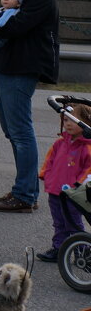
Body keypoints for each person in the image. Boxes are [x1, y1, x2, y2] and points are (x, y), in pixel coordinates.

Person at [0, 0, 60, 213]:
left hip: (20, 70)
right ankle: (23, 190)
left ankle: (26, 194)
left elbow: (16, 27)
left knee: (20, 133)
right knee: (12, 131)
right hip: (9, 68)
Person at [36, 103, 91, 262]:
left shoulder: (86, 147)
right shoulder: (59, 143)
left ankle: (82, 251)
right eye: (65, 119)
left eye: (72, 120)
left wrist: (78, 184)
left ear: (84, 123)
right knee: (58, 222)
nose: (67, 123)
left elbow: (88, 169)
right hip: (55, 191)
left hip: (73, 194)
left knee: (73, 223)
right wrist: (45, 174)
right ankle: (58, 248)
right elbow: (50, 160)